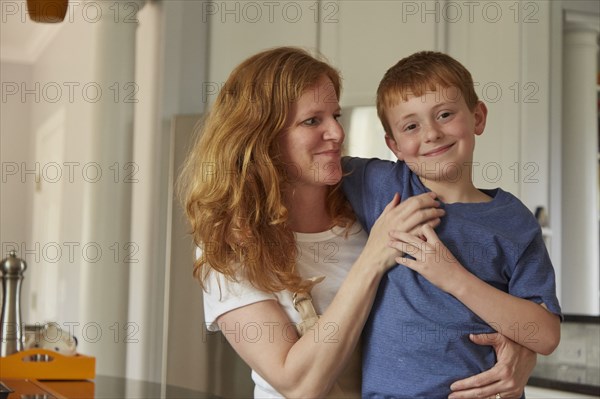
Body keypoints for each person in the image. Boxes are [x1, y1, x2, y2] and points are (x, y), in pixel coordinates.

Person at [179, 46, 537, 398]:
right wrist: (372, 259)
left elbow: (463, 295)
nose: (336, 133)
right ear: (263, 138)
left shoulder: (369, 198)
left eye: (335, 115)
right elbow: (300, 385)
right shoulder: (230, 250)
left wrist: (520, 349)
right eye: (312, 120)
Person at [342, 51, 562, 398]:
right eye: (411, 126)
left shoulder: (513, 221)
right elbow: (297, 161)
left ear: (477, 116)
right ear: (393, 145)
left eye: (445, 114)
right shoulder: (382, 186)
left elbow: (546, 336)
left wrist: (452, 277)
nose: (431, 133)